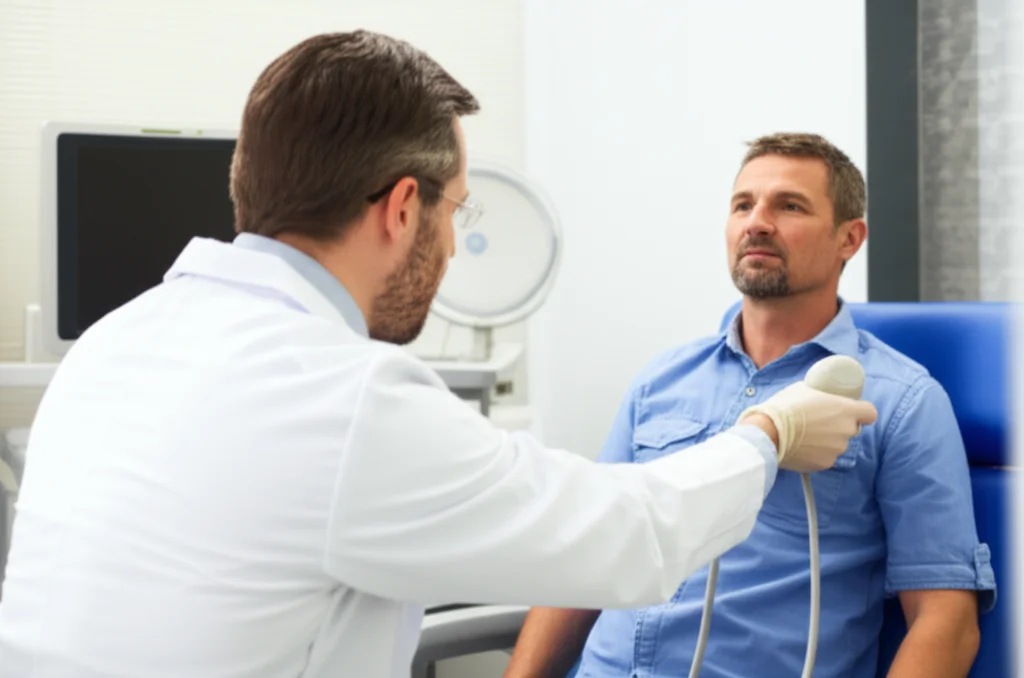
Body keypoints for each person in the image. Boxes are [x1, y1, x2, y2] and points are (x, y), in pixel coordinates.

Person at [0, 35, 876, 678]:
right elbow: (629, 534)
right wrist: (768, 431)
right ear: (402, 207)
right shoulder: (346, 399)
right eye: (457, 211)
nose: (454, 248)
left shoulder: (113, 344)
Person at [504, 133, 997, 678]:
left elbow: (946, 623)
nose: (756, 222)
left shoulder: (902, 402)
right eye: (743, 204)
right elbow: (591, 555)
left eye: (789, 206)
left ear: (849, 239)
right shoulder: (661, 381)